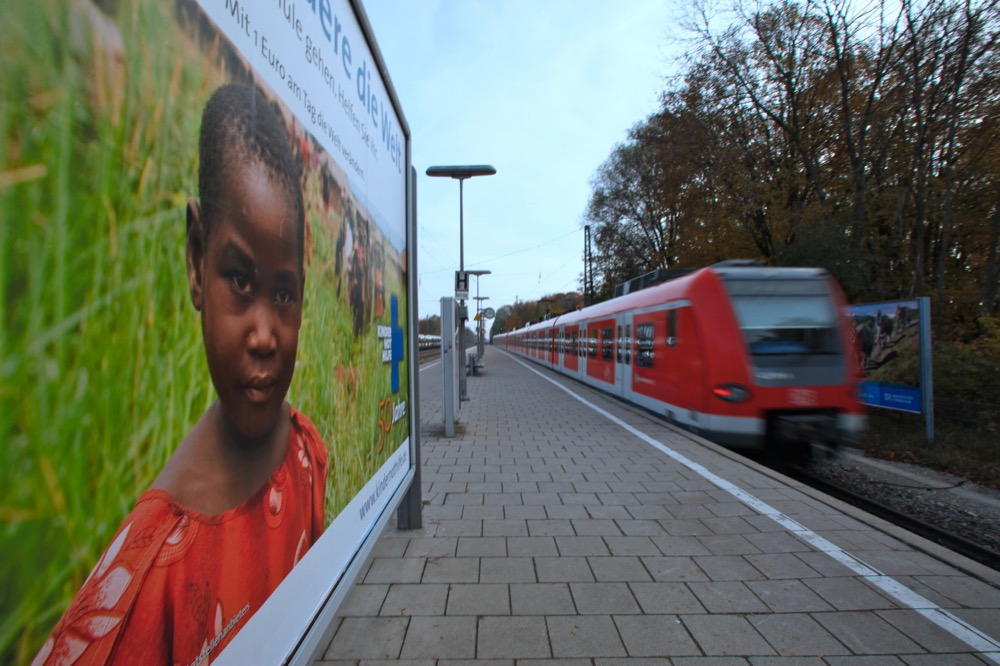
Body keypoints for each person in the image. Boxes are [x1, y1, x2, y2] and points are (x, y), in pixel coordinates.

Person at [34, 83, 327, 666]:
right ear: (196, 259)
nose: (266, 336)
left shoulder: (307, 454)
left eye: (285, 293)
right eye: (240, 280)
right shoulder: (135, 592)